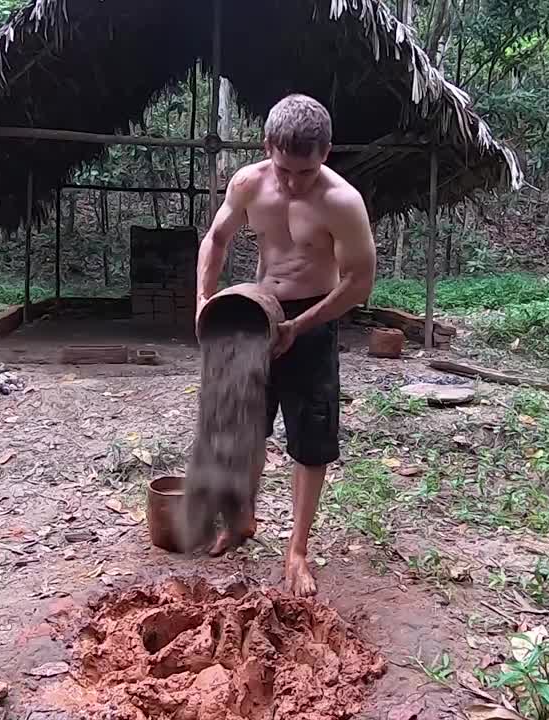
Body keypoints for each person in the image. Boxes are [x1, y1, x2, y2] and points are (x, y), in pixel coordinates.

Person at [194, 93, 377, 596]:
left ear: (327, 151)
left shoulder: (342, 201)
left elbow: (360, 282)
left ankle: (297, 549)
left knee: (309, 440)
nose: (296, 182)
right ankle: (240, 521)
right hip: (256, 311)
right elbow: (216, 238)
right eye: (286, 169)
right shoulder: (249, 183)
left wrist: (301, 326)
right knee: (243, 425)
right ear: (267, 145)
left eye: (308, 171)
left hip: (313, 317)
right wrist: (203, 298)